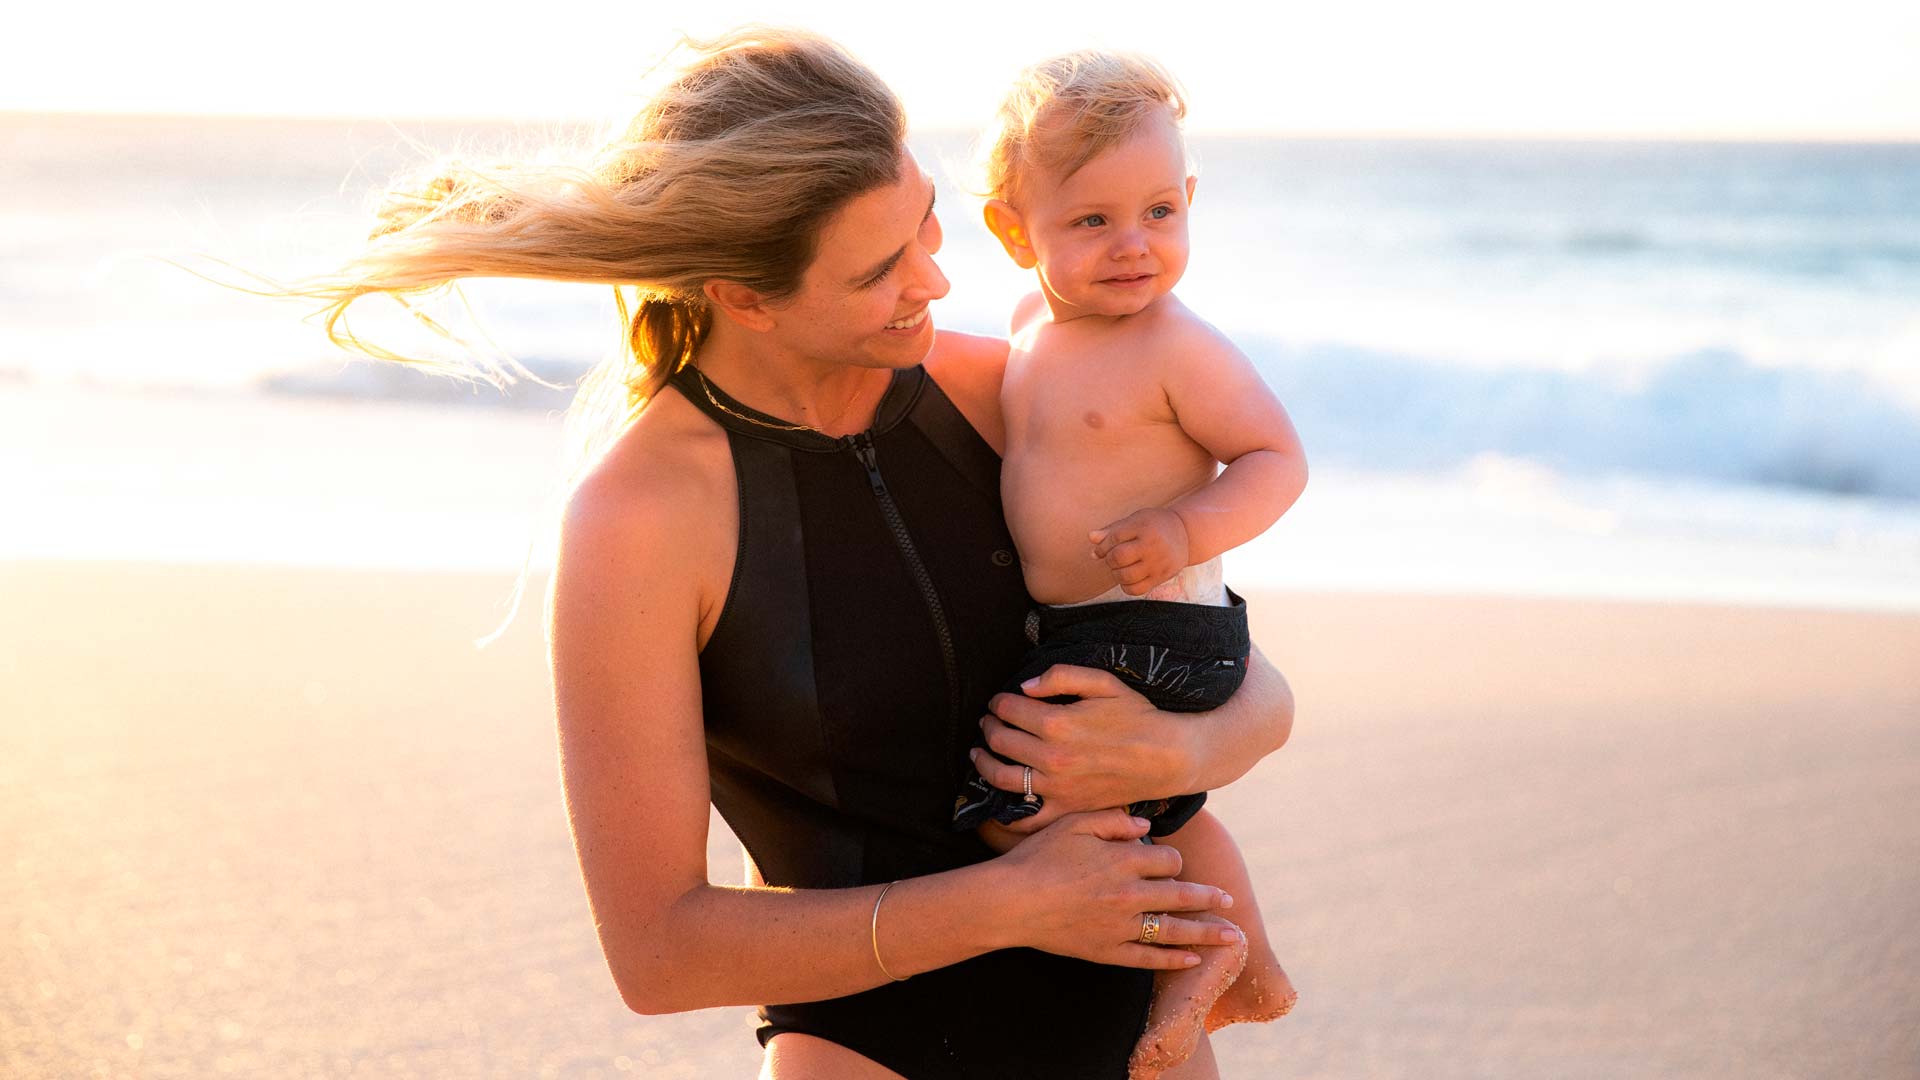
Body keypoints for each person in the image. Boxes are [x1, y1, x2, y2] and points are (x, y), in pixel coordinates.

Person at [289, 28, 1296, 1079]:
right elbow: (657, 952)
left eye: (927, 229)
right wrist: (1007, 906)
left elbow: (1239, 669)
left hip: (1137, 1038)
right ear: (742, 292)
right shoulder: (639, 519)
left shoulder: (1017, 392)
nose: (937, 283)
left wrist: (1182, 755)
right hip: (872, 1052)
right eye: (880, 271)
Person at [951, 51, 1307, 1078]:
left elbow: (1277, 456)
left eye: (1158, 211)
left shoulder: (1175, 345)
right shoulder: (1026, 330)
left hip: (1156, 623)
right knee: (1155, 809)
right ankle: (1249, 955)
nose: (1132, 246)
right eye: (1092, 222)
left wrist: (1190, 528)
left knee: (1011, 801)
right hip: (1090, 626)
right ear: (1015, 231)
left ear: (1189, 199)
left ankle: (1195, 955)